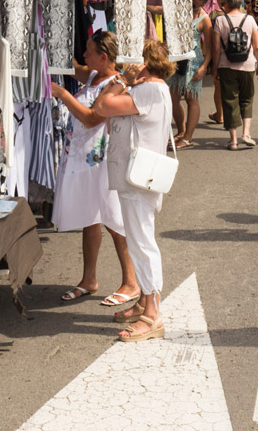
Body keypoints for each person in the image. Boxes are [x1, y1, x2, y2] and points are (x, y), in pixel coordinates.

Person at [50, 30, 140, 306]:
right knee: (90, 219)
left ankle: (131, 282)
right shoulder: (92, 75)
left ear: (103, 57)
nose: (84, 55)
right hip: (82, 160)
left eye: (88, 51)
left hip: (103, 162)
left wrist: (62, 94)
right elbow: (72, 66)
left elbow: (92, 118)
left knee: (114, 221)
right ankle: (89, 279)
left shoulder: (116, 85)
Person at [94, 40, 175, 342]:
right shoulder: (154, 90)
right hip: (139, 177)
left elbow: (101, 106)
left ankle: (152, 315)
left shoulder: (148, 90)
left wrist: (121, 81)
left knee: (141, 242)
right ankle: (144, 302)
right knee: (140, 238)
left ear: (143, 64)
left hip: (137, 180)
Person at [211, 0, 258, 150]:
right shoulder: (250, 19)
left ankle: (233, 140)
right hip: (247, 65)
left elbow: (216, 48)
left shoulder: (220, 20)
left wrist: (215, 68)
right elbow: (257, 46)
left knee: (229, 101)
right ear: (240, 3)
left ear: (226, 3)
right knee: (247, 99)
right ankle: (246, 133)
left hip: (226, 66)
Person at [167, 0, 211, 150]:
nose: (192, 4)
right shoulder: (181, 10)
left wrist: (204, 67)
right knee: (173, 98)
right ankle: (181, 131)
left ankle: (188, 138)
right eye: (191, 0)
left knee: (192, 99)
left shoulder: (205, 19)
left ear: (202, 4)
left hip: (193, 62)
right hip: (176, 59)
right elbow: (162, 9)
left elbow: (210, 47)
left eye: (196, 3)